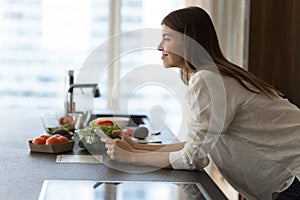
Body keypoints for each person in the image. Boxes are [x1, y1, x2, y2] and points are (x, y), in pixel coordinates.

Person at [101, 6, 300, 200]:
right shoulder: (214, 76)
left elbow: (193, 158)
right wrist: (137, 148)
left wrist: (131, 158)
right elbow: (198, 145)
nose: (159, 46)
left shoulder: (207, 79)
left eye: (167, 38)